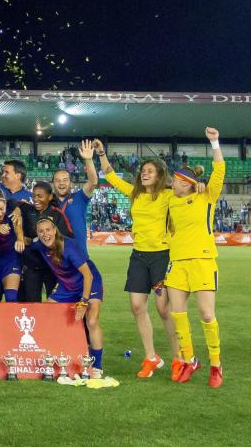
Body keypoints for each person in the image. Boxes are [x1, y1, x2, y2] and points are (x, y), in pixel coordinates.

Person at [96, 140, 180, 379]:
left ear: (160, 175)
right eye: (143, 171)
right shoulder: (135, 194)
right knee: (136, 307)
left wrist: (199, 184)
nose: (144, 174)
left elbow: (189, 191)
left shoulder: (168, 195)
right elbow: (111, 176)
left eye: (149, 171)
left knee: (164, 310)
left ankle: (178, 358)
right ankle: (151, 358)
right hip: (139, 257)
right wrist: (101, 153)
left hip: (162, 257)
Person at [166, 127, 225, 387]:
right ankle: (190, 360)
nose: (172, 183)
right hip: (177, 261)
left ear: (185, 183)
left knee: (206, 313)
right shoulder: (170, 199)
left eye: (175, 181)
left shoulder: (206, 196)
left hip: (202, 259)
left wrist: (214, 142)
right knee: (177, 313)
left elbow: (219, 171)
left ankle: (215, 364)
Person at [33, 218, 105, 378]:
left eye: (48, 230)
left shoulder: (68, 247)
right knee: (46, 312)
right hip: (66, 286)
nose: (45, 234)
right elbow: (26, 242)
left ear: (55, 230)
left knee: (92, 320)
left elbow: (88, 275)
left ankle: (97, 366)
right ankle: (54, 355)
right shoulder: (40, 245)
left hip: (89, 282)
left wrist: (83, 302)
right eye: (41, 231)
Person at [52, 140, 99, 253]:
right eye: (57, 181)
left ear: (71, 183)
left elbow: (93, 182)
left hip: (79, 257)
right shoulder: (49, 202)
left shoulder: (80, 198)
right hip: (56, 258)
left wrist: (88, 159)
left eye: (65, 180)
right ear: (53, 183)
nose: (61, 183)